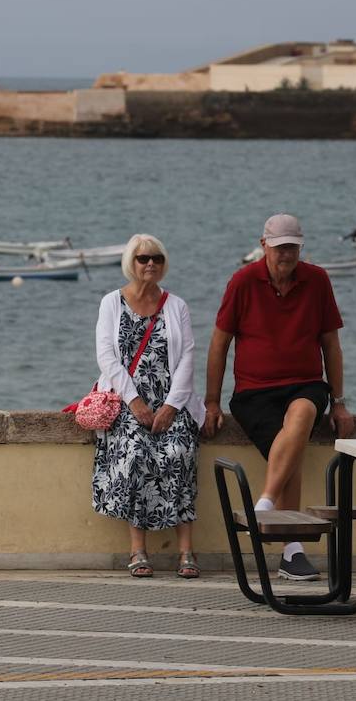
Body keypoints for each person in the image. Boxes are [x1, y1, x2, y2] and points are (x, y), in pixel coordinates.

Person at [202, 213, 355, 581]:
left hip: (304, 383)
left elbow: (331, 344)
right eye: (280, 247)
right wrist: (211, 402)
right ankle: (291, 550)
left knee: (302, 414)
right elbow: (219, 344)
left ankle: (264, 505)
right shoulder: (242, 282)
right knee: (288, 452)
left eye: (293, 247)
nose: (286, 254)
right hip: (253, 391)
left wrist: (338, 401)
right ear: (263, 245)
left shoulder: (317, 280)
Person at [92, 233, 202, 578]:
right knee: (134, 452)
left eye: (156, 257)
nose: (150, 263)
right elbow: (107, 356)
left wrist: (171, 406)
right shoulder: (111, 302)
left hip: (171, 400)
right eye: (143, 259)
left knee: (180, 452)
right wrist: (136, 402)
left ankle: (186, 551)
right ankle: (138, 549)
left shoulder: (176, 306)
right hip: (127, 401)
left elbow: (187, 358)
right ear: (131, 263)